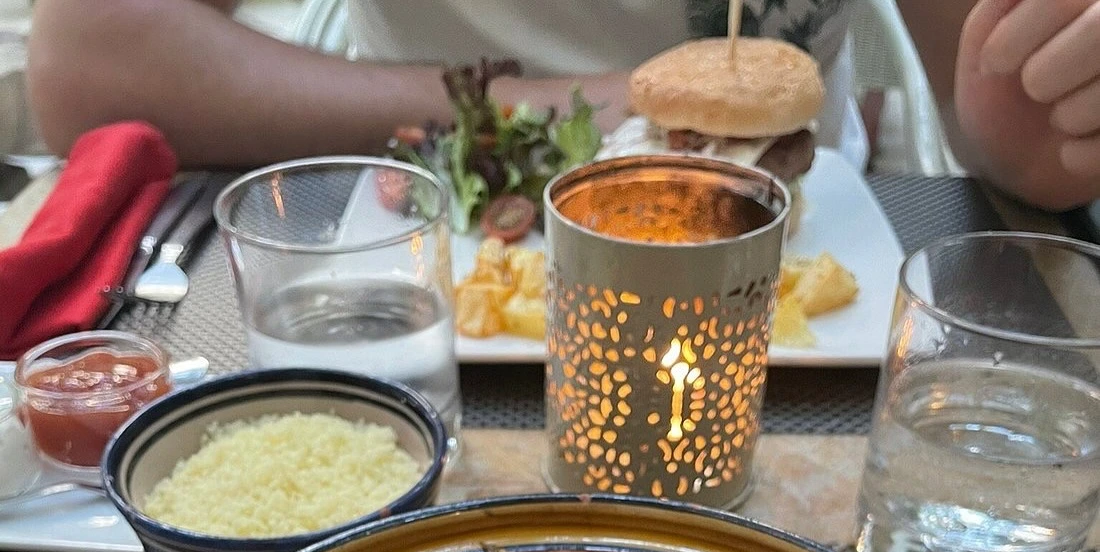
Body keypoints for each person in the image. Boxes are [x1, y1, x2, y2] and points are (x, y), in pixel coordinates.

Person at [19, 0, 1100, 210]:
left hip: (818, 240)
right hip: (400, 218)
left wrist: (1033, 131)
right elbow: (91, 52)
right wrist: (529, 109)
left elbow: (1001, 95)